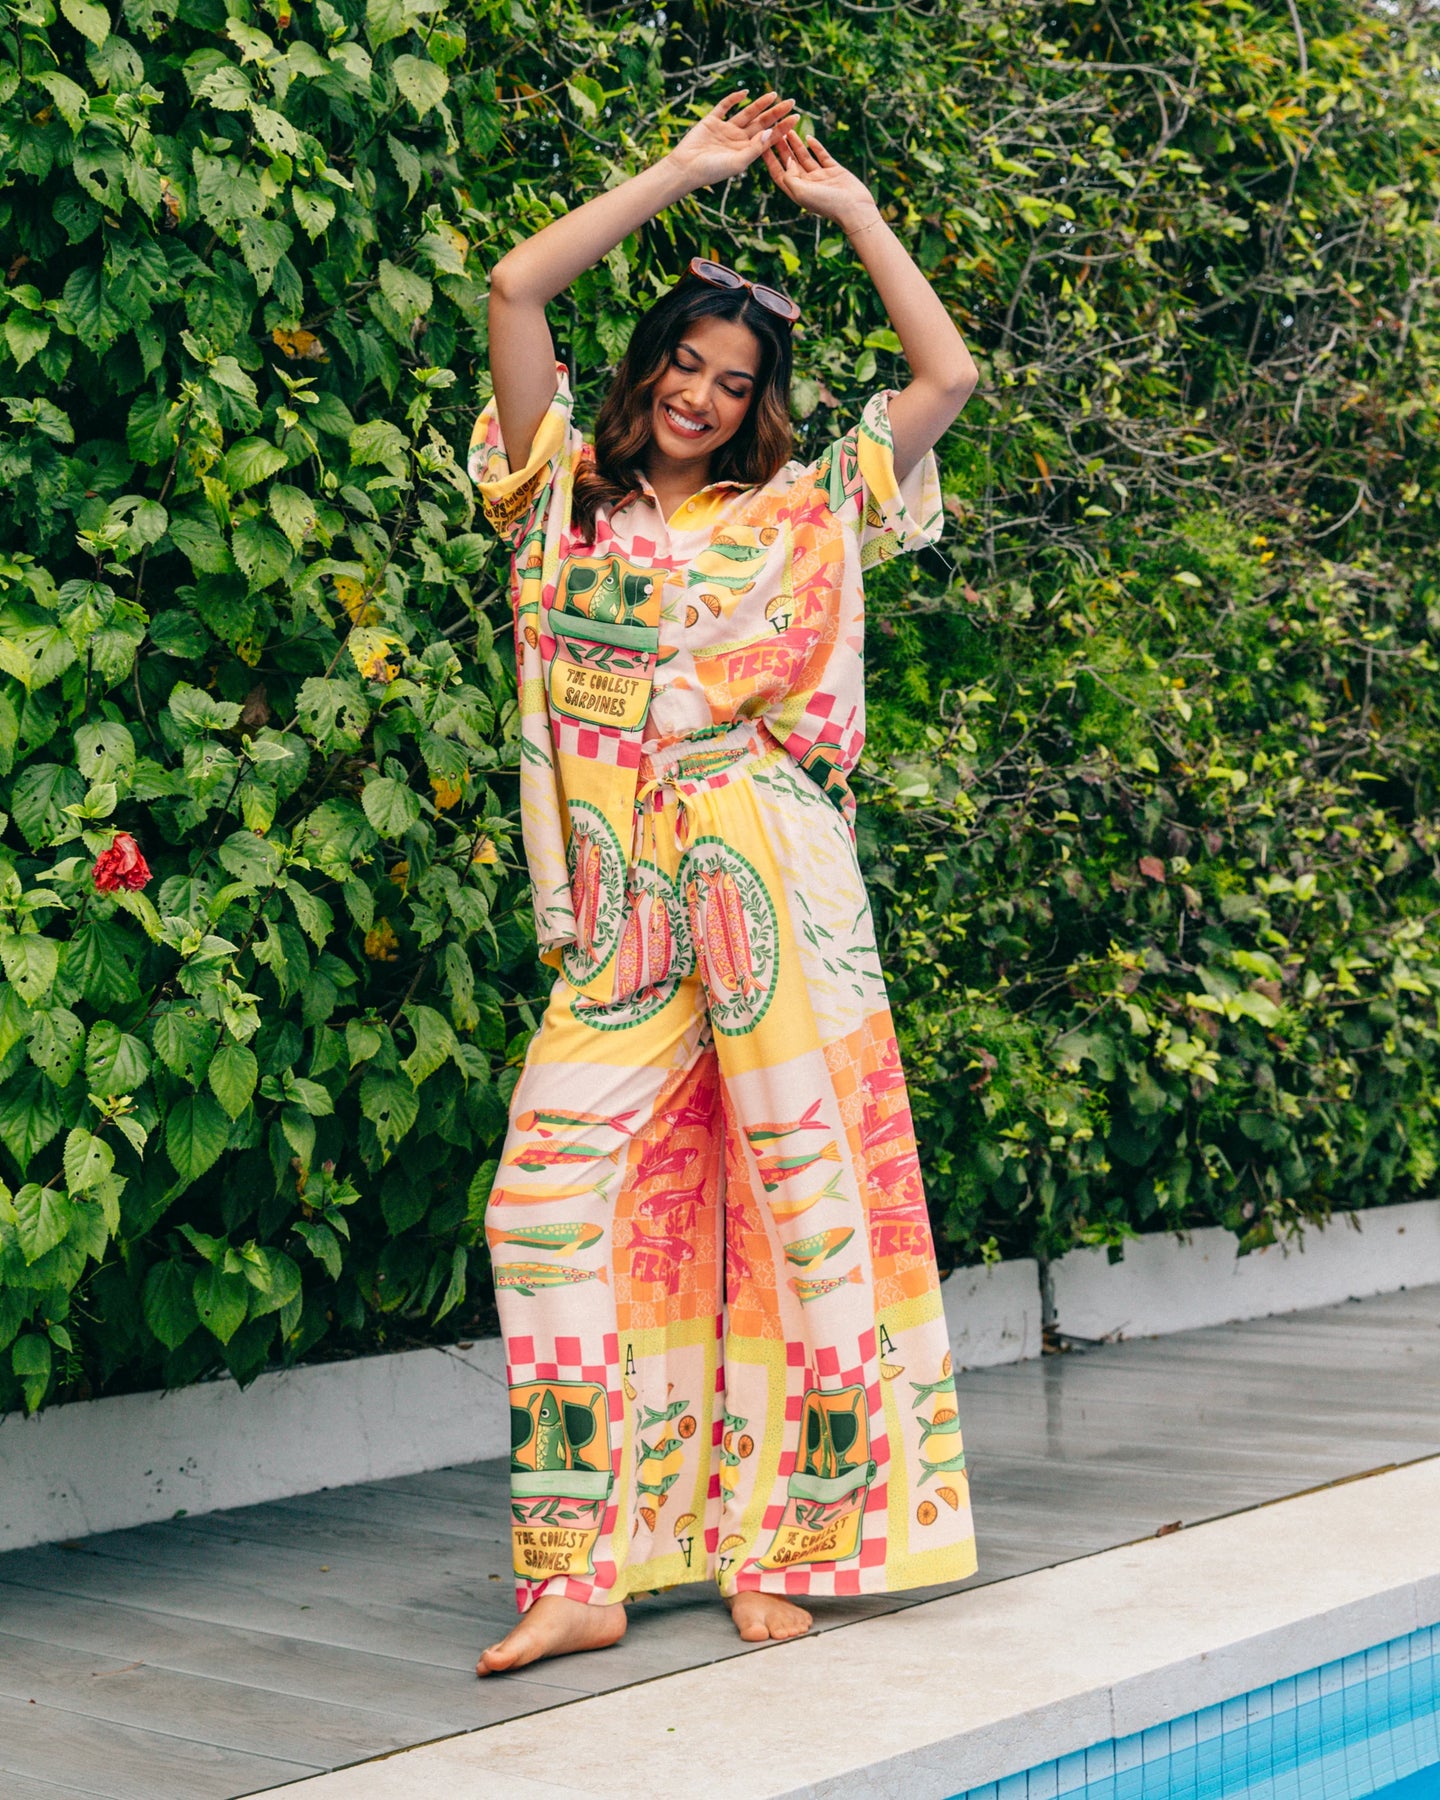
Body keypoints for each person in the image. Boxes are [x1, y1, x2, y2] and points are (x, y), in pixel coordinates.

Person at [470, 90, 979, 1676]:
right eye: (683, 366)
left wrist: (856, 214)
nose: (700, 395)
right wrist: (681, 173)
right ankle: (580, 1568)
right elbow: (514, 288)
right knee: (539, 1202)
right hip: (624, 912)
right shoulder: (559, 496)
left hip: (771, 878)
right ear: (646, 373)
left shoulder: (800, 512)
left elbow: (947, 379)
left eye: (733, 380)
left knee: (801, 1210)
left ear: (760, 404)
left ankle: (787, 1545)